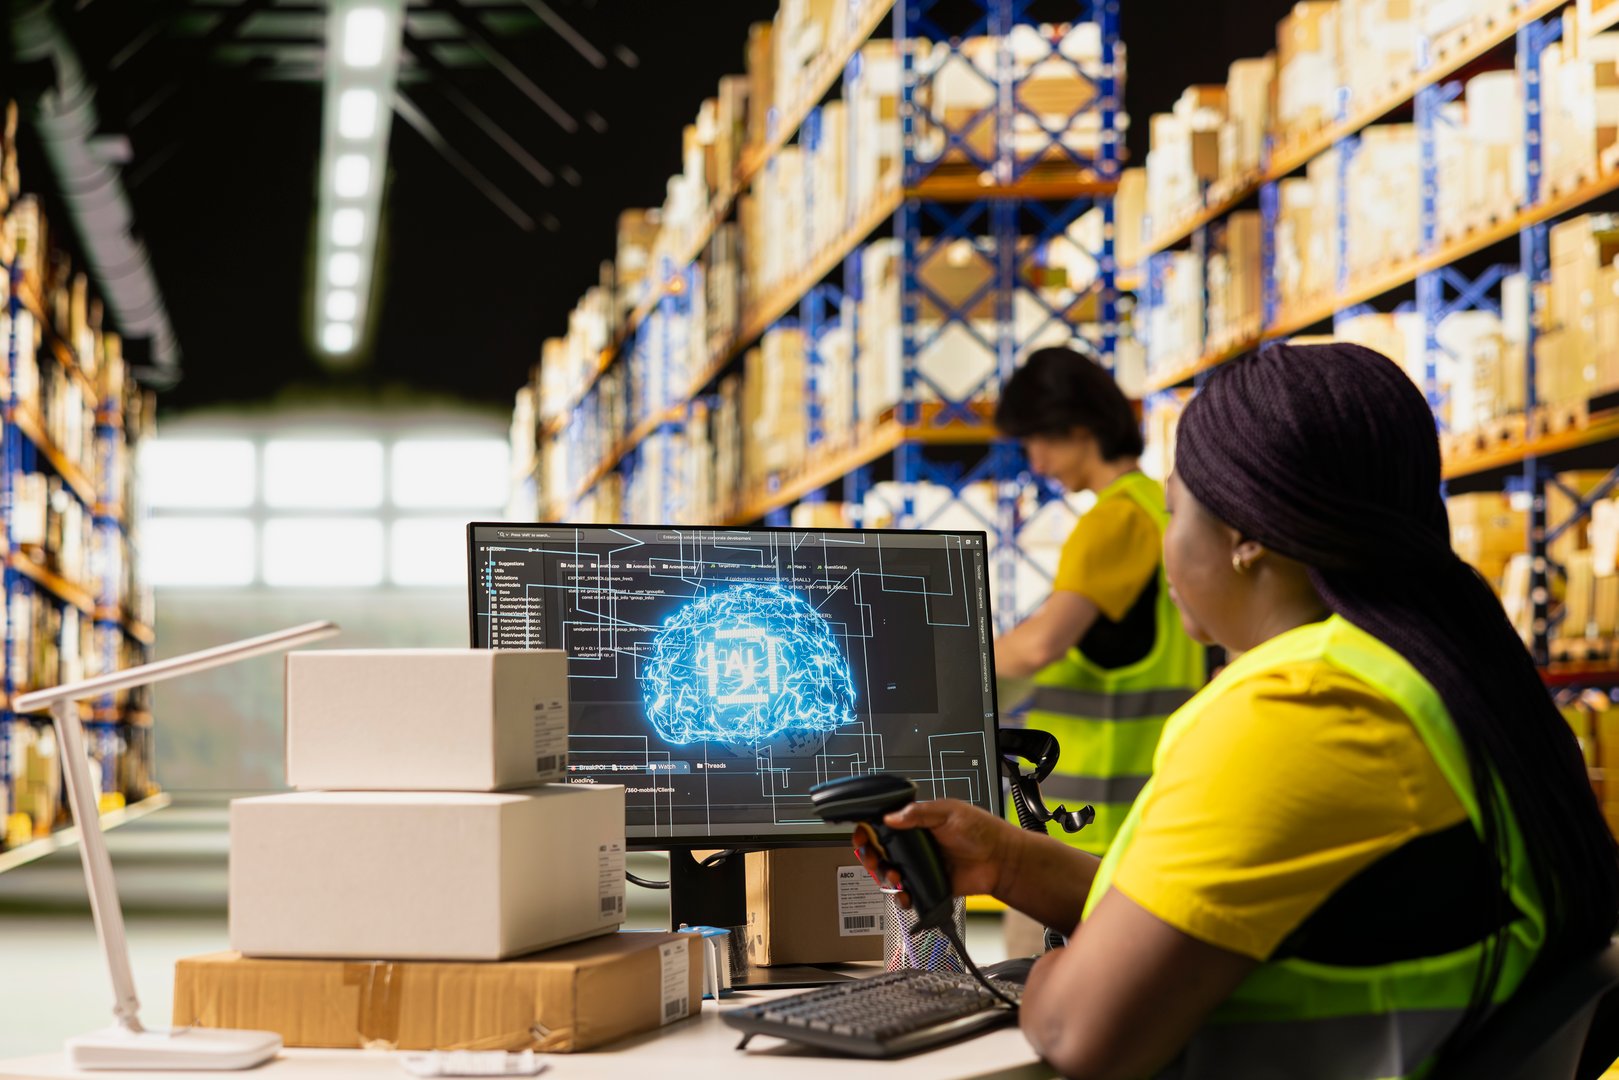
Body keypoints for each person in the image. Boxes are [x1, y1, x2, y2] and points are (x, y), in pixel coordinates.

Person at [855, 343, 1619, 1079]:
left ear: (1245, 537)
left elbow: (1078, 1033)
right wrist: (1012, 862)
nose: (1163, 551)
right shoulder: (1434, 670)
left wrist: (1050, 968)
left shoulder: (1301, 704)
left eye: (1176, 510)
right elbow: (1235, 911)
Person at [991, 347, 1205, 860]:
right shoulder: (1154, 506)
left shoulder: (1113, 521)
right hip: (1141, 812)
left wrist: (942, 676)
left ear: (1079, 428)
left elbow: (1041, 644)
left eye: (1039, 440)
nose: (1035, 461)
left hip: (1090, 830)